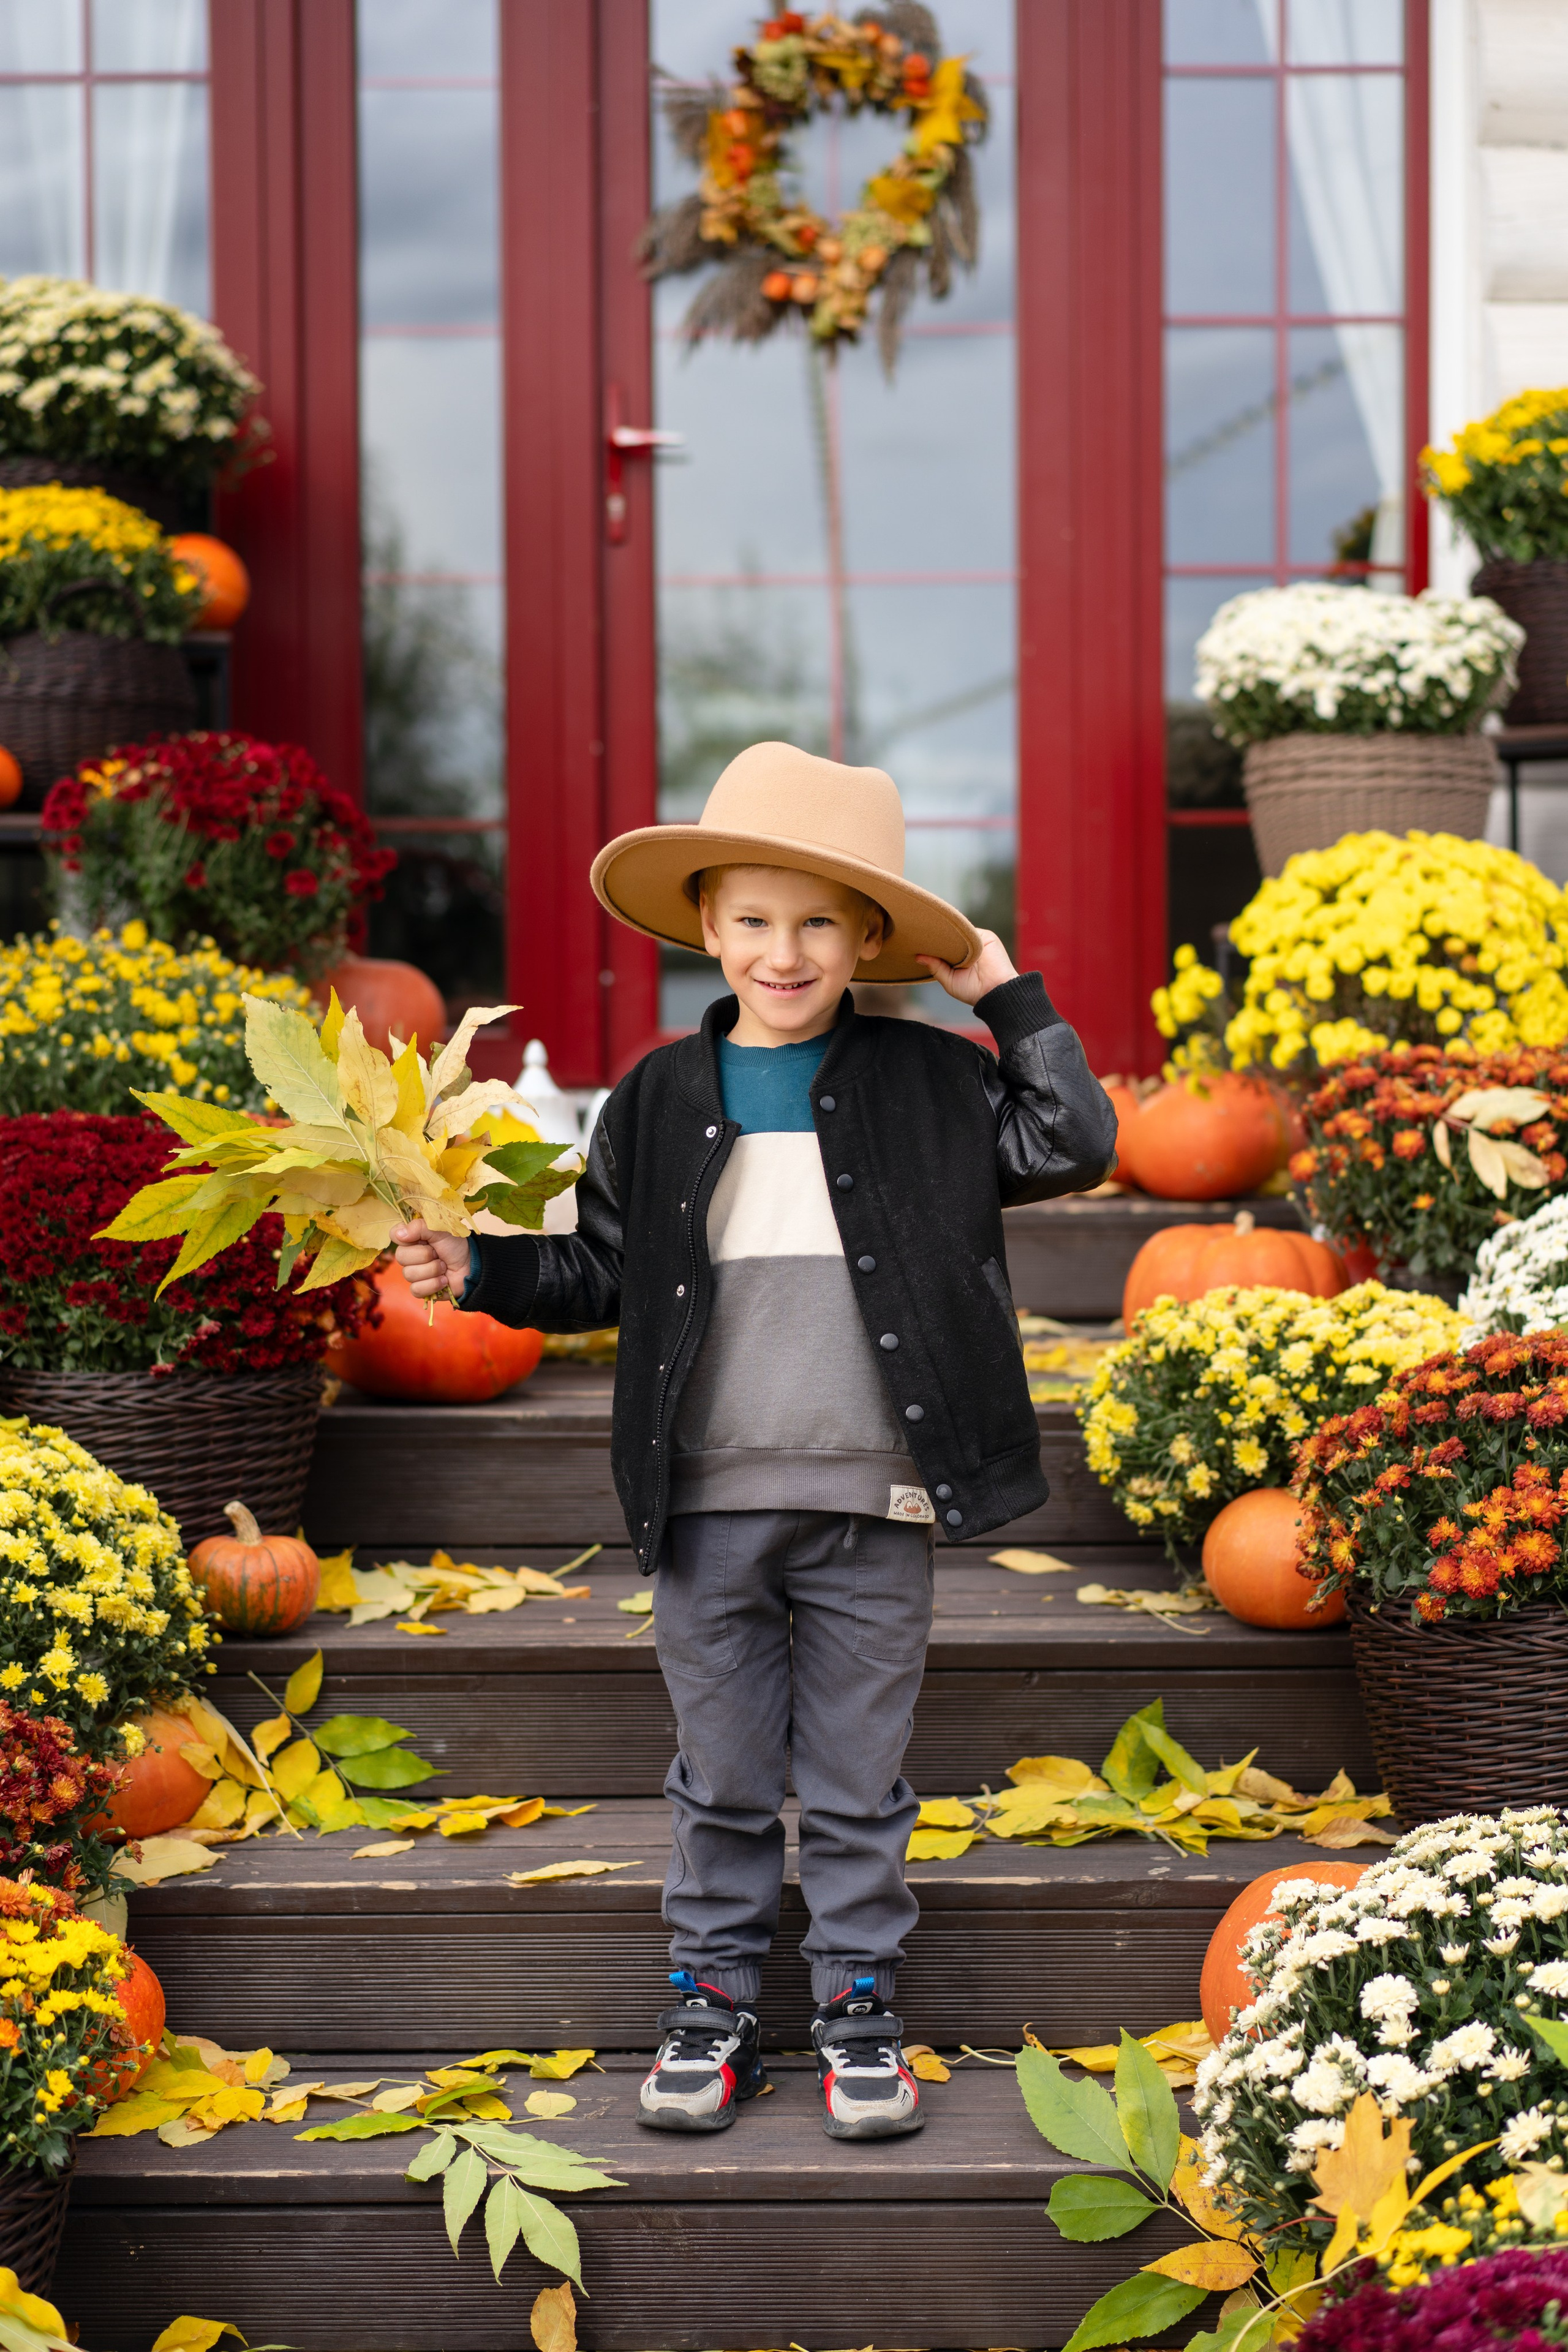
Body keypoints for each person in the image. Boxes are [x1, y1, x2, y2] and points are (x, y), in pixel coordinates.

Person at [393, 741, 1117, 2141]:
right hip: (704, 1503)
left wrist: (1000, 992)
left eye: (818, 923)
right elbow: (602, 1269)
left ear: (867, 938)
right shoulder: (658, 1095)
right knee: (721, 1779)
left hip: (874, 1500)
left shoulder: (934, 1079)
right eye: (753, 920)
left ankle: (858, 2010)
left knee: (854, 1782)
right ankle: (712, 2006)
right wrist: (484, 1270)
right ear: (705, 926)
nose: (783, 953)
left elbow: (1072, 1140)